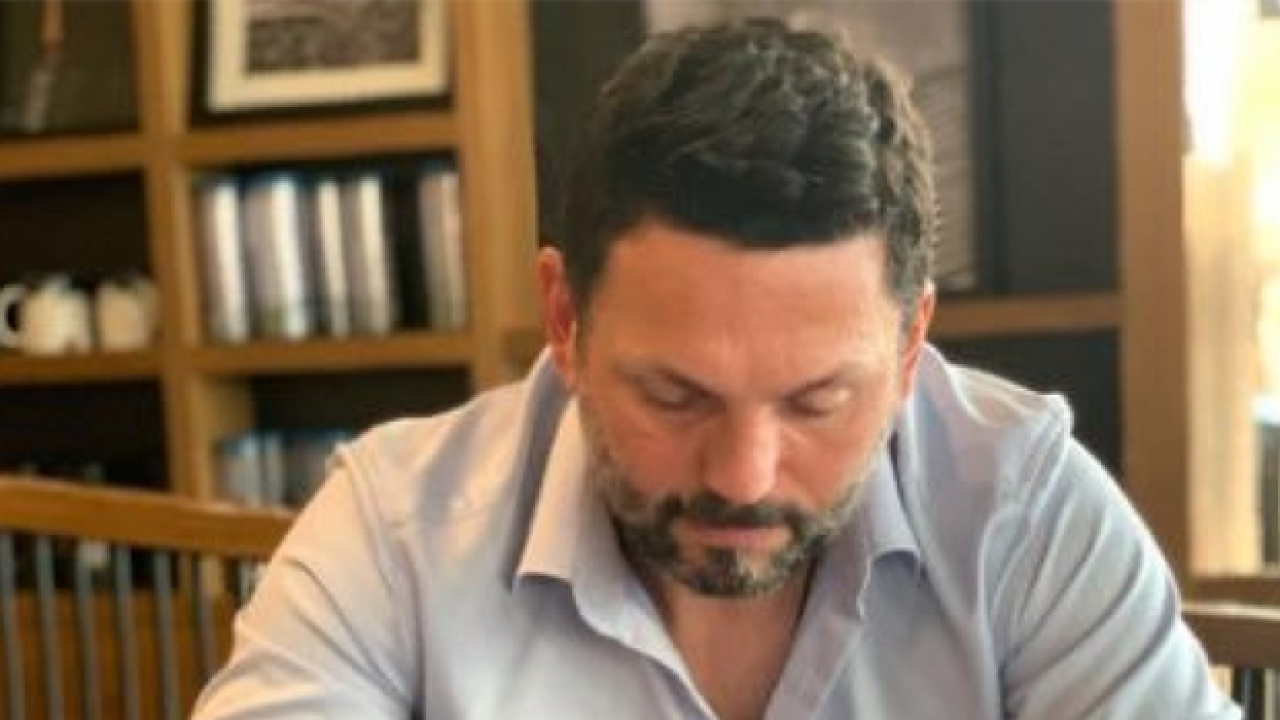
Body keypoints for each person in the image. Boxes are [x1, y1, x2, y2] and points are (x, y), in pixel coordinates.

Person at [192, 19, 1238, 720]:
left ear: (909, 345)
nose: (742, 475)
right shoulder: (397, 526)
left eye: (816, 400)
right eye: (674, 393)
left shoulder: (1022, 507)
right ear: (564, 319)